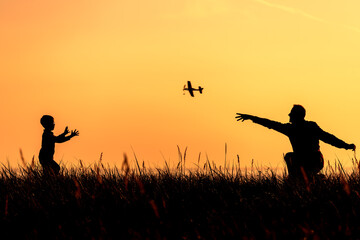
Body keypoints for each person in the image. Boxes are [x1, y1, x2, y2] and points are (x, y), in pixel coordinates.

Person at [236, 105, 355, 178]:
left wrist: (346, 146)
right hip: (310, 161)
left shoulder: (296, 128)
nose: (288, 115)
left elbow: (329, 138)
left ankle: (299, 178)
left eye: (291, 113)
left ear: (296, 116)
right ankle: (304, 178)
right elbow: (269, 123)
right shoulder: (299, 127)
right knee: (291, 157)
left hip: (313, 161)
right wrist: (251, 118)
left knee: (289, 156)